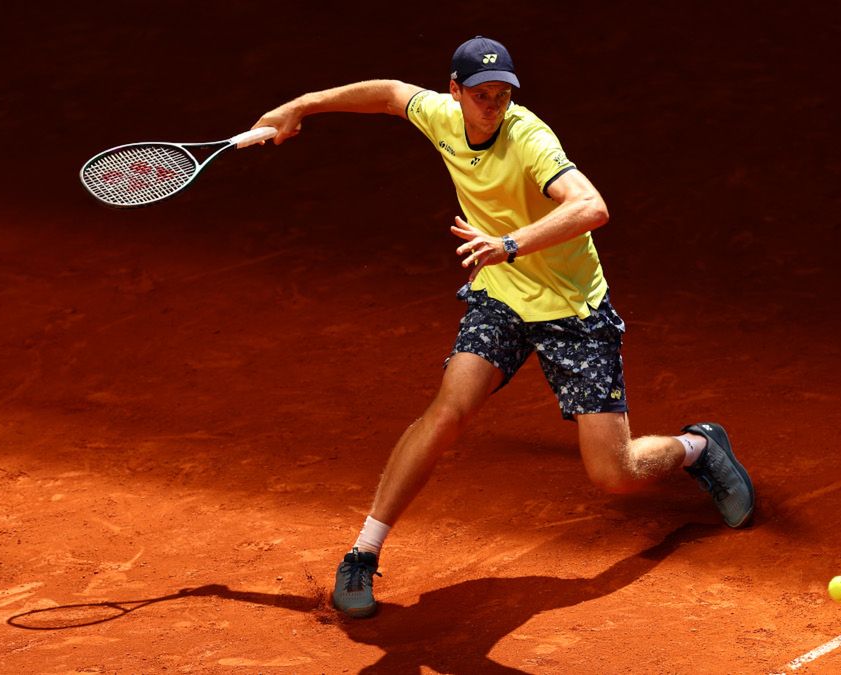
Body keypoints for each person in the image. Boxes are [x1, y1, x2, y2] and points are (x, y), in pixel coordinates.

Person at [251, 36, 755, 619]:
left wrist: (510, 243)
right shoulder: (440, 116)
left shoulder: (530, 138)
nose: (495, 105)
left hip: (571, 308)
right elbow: (390, 95)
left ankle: (699, 447)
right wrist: (301, 105)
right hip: (502, 297)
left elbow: (591, 206)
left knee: (614, 475)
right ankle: (363, 553)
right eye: (483, 95)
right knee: (447, 413)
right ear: (455, 91)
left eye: (504, 94)